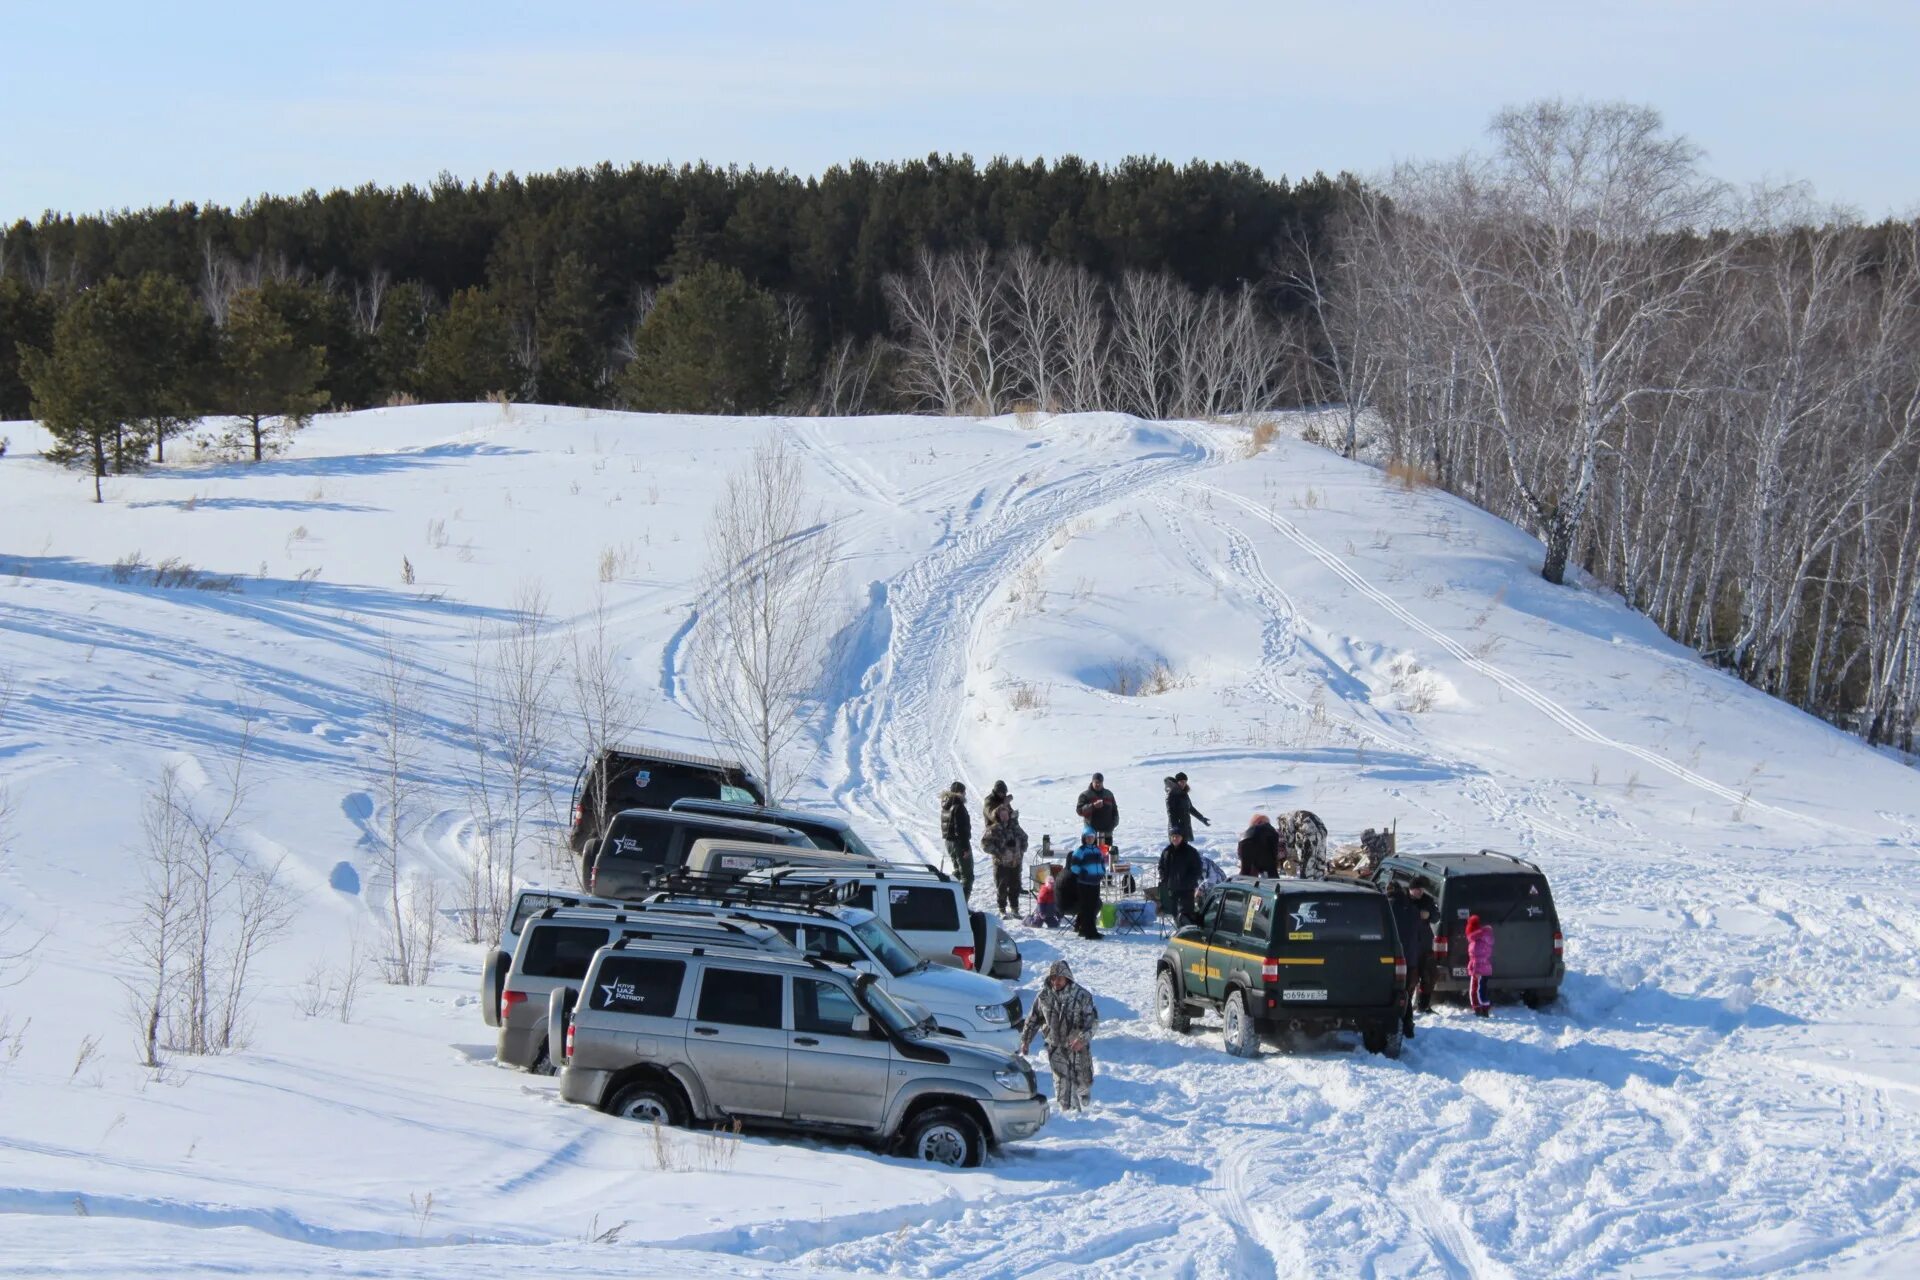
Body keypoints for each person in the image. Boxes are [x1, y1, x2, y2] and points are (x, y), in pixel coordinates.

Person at [1018, 959, 1099, 1111]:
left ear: (1067, 978)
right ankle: (1070, 1115)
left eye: (1059, 978)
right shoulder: (1043, 996)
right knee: (1062, 1083)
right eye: (1053, 978)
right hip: (1055, 1046)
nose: (1056, 982)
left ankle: (1084, 1092)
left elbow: (1092, 1022)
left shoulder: (1082, 996)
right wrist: (1026, 1040)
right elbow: (1033, 1018)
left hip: (1077, 1047)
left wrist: (1082, 1039)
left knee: (1083, 1079)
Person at [1385, 883, 1421, 1039]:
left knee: (1391, 993)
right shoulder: (1412, 909)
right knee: (1406, 992)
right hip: (1411, 958)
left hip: (1392, 957)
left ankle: (1396, 1024)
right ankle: (1408, 1025)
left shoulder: (1387, 908)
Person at [981, 803, 1029, 917]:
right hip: (1001, 864)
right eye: (1002, 815)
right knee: (1001, 887)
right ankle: (1002, 910)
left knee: (1015, 887)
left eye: (1006, 814)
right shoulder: (994, 829)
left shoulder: (1015, 827)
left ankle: (1015, 909)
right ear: (998, 816)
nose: (1004, 817)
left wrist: (1021, 849)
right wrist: (999, 851)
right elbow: (985, 844)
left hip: (1015, 863)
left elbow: (1024, 837)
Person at [1405, 880, 1440, 1013]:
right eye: (1416, 889)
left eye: (1421, 889)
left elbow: (1437, 916)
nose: (1419, 892)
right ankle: (1406, 1006)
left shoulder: (1427, 900)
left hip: (1425, 944)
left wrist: (1429, 915)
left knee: (1430, 975)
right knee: (1411, 979)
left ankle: (1424, 1005)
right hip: (1410, 946)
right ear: (1410, 889)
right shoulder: (1404, 901)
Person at [1067, 828, 1107, 939]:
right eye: (1088, 837)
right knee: (1087, 907)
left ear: (1095, 838)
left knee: (1093, 907)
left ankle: (1084, 929)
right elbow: (1074, 867)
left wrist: (1102, 872)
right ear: (1084, 838)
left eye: (1092, 837)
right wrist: (1083, 873)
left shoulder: (1098, 850)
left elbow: (1102, 863)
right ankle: (1090, 932)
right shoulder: (1081, 851)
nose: (1090, 839)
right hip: (1084, 883)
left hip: (1095, 883)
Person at [1157, 828, 1202, 925]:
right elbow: (1161, 866)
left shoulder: (1191, 852)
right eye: (1172, 836)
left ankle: (1187, 934)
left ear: (1182, 837)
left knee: (1186, 914)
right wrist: (1163, 877)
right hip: (1172, 889)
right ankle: (1179, 931)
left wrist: (1189, 881)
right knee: (1175, 913)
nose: (1174, 838)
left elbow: (1197, 870)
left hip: (1186, 890)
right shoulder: (1167, 851)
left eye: (1177, 836)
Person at [939, 781, 974, 900]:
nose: (965, 795)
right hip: (959, 843)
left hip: (949, 843)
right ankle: (962, 906)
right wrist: (965, 847)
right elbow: (961, 828)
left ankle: (946, 897)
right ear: (960, 792)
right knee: (967, 876)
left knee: (958, 872)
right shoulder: (958, 805)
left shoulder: (946, 805)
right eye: (964, 792)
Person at [1163, 772, 1210, 842]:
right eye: (1181, 782)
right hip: (1176, 827)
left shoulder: (1183, 793)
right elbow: (1171, 812)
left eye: (1185, 782)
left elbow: (1190, 808)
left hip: (1185, 826)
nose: (1183, 784)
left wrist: (1202, 818)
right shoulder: (1171, 794)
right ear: (1177, 782)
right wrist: (1174, 828)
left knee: (1184, 849)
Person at [1465, 912, 1495, 1016]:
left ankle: (1480, 1009)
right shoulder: (1485, 938)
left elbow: (1477, 957)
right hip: (1485, 968)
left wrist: (1475, 970)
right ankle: (1483, 1008)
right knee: (1481, 989)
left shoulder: (1477, 942)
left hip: (1478, 969)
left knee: (1475, 990)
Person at [1076, 773, 1118, 841]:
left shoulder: (1109, 794)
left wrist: (1113, 825)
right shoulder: (1085, 795)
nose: (1098, 784)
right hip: (1091, 835)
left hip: (1107, 834)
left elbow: (1115, 811)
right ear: (1092, 781)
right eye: (1096, 782)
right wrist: (1093, 806)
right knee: (1092, 851)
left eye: (1100, 782)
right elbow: (1079, 811)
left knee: (1106, 852)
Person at [1237, 813, 1280, 877]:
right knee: (1271, 869)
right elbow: (1274, 851)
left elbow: (1240, 854)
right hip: (1264, 843)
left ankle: (1241, 883)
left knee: (1245, 871)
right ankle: (1274, 882)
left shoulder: (1246, 832)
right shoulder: (1270, 829)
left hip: (1244, 842)